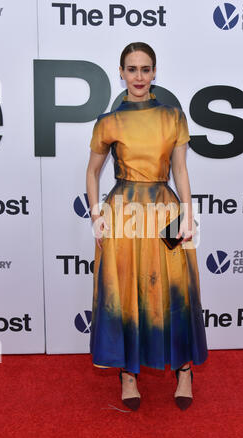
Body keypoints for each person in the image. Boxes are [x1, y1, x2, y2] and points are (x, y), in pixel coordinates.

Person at [86, 42, 208, 411]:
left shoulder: (173, 117)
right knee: (125, 291)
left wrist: (188, 214)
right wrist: (96, 213)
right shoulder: (109, 123)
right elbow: (92, 172)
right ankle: (128, 374)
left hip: (165, 211)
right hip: (122, 215)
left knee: (176, 291)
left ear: (155, 73)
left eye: (145, 68)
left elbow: (181, 170)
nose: (138, 76)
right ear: (120, 72)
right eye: (131, 68)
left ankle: (184, 369)